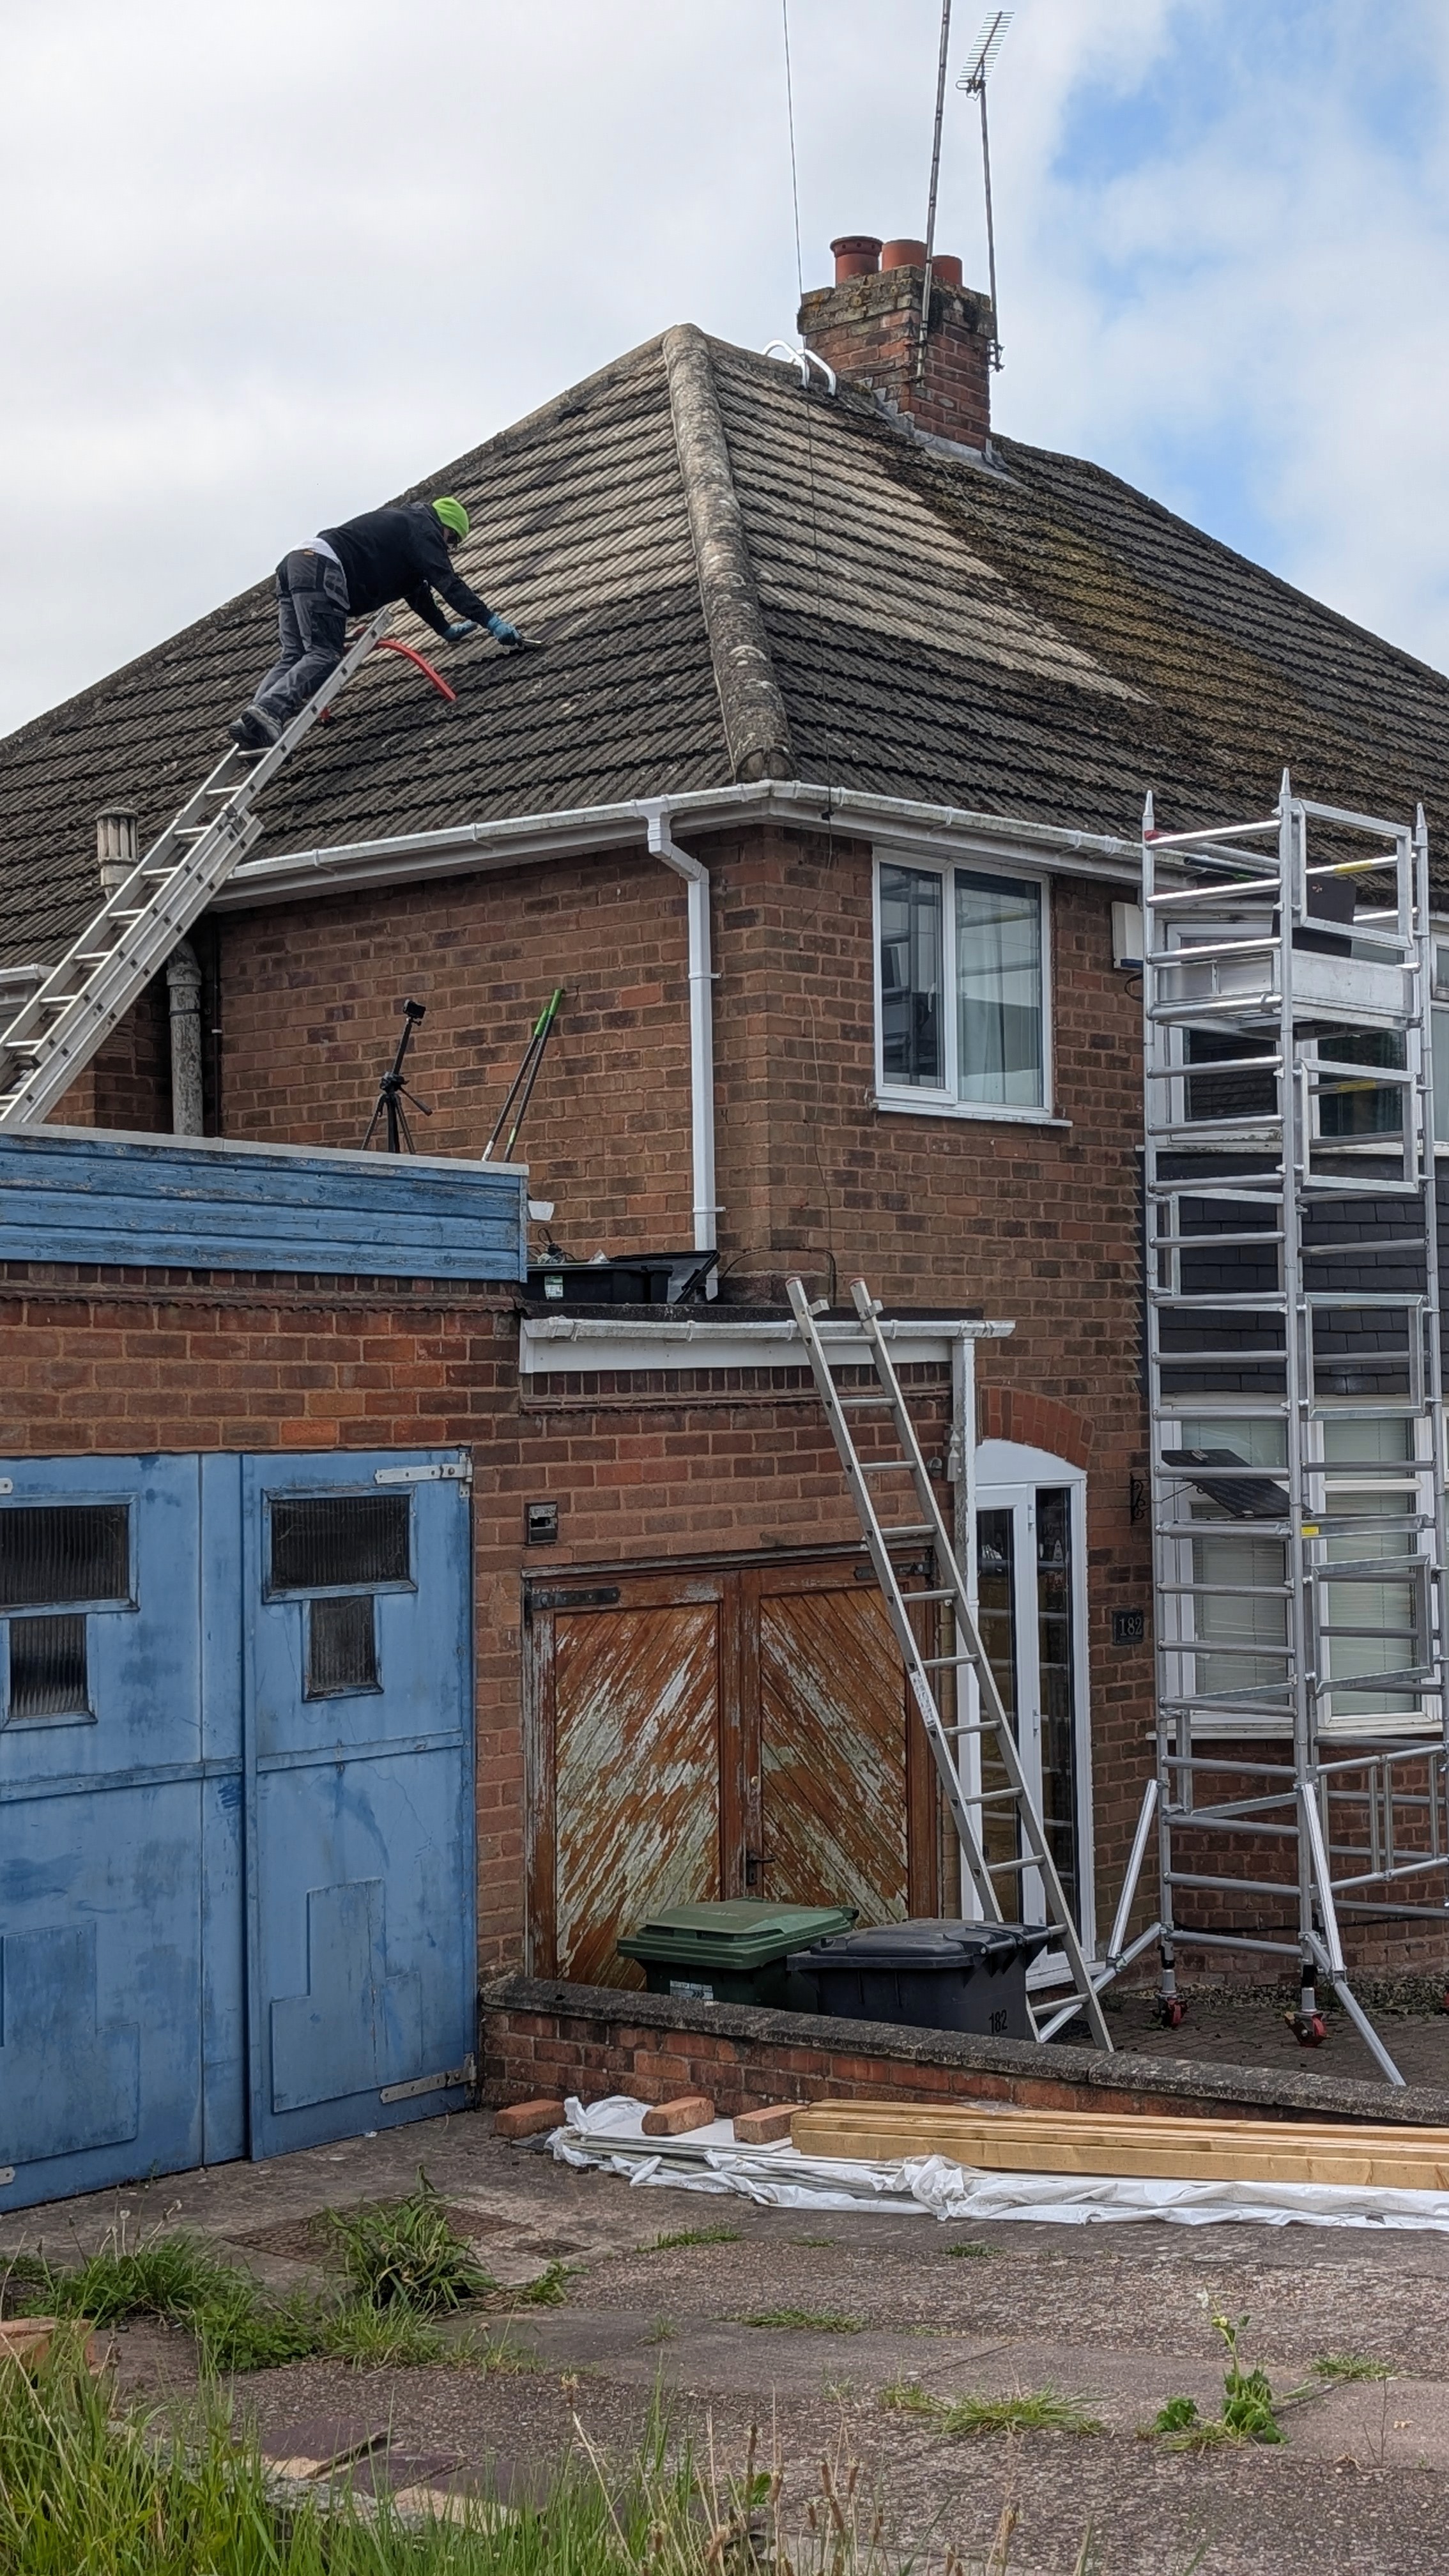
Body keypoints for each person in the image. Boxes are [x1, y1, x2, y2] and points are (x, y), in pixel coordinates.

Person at [229, 494, 523, 751]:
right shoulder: (424, 529)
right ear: (445, 527)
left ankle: (253, 724)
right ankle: (269, 710)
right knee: (324, 654)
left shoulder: (405, 533)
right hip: (322, 567)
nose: (449, 549)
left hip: (295, 564)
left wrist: (444, 630)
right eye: (452, 541)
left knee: (294, 656)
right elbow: (447, 582)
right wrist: (491, 621)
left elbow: (419, 592)